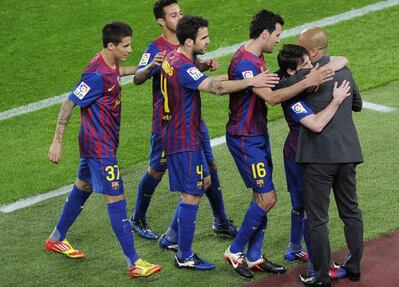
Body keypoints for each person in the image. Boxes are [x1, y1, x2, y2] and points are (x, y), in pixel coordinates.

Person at [160, 15, 279, 270]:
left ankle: (171, 237)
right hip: (183, 137)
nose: (209, 41)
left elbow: (201, 78)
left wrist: (232, 74)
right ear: (190, 41)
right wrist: (251, 80)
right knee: (191, 195)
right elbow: (216, 88)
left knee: (203, 183)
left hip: (179, 132)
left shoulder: (173, 57)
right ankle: (184, 255)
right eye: (204, 37)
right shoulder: (183, 66)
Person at [223, 10, 335, 279]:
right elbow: (271, 98)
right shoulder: (245, 63)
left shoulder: (256, 56)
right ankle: (235, 250)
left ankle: (254, 256)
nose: (278, 39)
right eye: (276, 34)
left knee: (260, 196)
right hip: (244, 137)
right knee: (268, 198)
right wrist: (307, 81)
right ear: (264, 33)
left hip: (257, 135)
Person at [45, 21, 161, 278]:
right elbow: (68, 103)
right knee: (116, 198)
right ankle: (134, 262)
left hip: (101, 141)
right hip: (99, 146)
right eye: (126, 45)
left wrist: (146, 68)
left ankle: (55, 238)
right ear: (111, 45)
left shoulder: (110, 62)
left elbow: (118, 72)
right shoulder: (96, 74)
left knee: (83, 187)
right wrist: (57, 141)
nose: (131, 49)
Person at [131, 0, 237, 241]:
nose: (179, 17)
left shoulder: (186, 42)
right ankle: (138, 218)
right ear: (161, 20)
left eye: (180, 13)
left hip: (192, 119)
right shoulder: (155, 47)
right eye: (173, 15)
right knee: (157, 170)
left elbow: (188, 69)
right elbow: (137, 78)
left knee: (209, 166)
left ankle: (220, 219)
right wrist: (150, 67)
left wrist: (204, 65)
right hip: (167, 123)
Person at [295, 27, 364, 287]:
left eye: (301, 46)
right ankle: (355, 268)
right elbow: (357, 103)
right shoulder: (343, 70)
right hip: (347, 153)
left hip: (317, 157)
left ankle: (323, 277)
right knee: (351, 212)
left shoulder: (305, 77)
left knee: (317, 219)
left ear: (312, 51)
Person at [275, 44, 351, 278]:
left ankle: (295, 249)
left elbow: (342, 58)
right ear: (291, 73)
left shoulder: (299, 80)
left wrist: (320, 67)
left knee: (300, 205)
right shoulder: (292, 98)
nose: (312, 67)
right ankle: (318, 268)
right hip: (300, 155)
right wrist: (336, 101)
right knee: (311, 211)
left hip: (296, 152)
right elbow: (316, 124)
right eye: (305, 65)